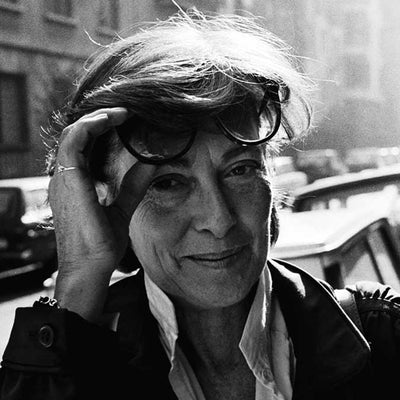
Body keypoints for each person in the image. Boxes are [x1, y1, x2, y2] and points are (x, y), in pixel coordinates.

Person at [1, 9, 400, 400]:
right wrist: (77, 282)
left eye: (241, 170)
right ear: (101, 200)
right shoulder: (77, 366)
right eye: (167, 183)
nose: (218, 219)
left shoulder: (383, 334)